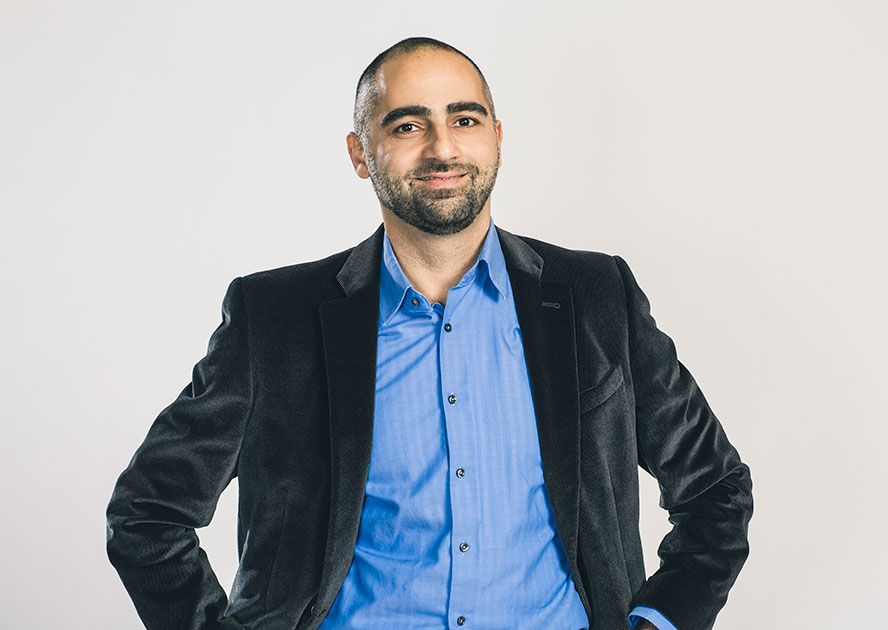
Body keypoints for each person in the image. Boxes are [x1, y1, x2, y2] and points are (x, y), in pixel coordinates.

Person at [106, 37, 753, 630]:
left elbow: (714, 488)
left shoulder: (594, 296)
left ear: (496, 138)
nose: (443, 148)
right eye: (407, 125)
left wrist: (659, 622)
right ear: (360, 153)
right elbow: (148, 512)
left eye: (464, 120)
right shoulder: (276, 318)